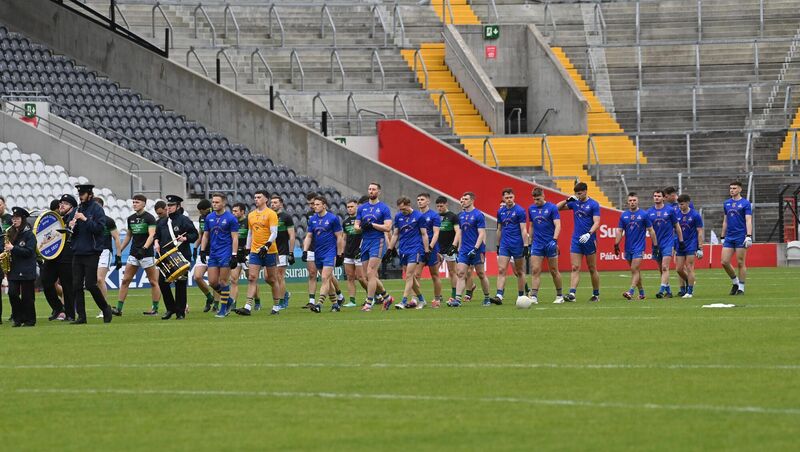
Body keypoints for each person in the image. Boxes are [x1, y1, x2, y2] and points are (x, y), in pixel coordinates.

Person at [69, 184, 113, 324]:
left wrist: (85, 219)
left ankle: (105, 308)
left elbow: (99, 229)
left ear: (90, 194)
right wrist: (70, 226)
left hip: (92, 252)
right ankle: (81, 316)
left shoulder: (97, 210)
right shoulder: (77, 209)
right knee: (76, 285)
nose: (80, 196)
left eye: (83, 193)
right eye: (79, 194)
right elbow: (72, 231)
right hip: (77, 251)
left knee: (90, 284)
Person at [236, 190, 282, 316]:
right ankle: (247, 306)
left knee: (272, 279)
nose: (256, 199)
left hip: (270, 251)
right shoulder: (251, 215)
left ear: (266, 199)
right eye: (255, 197)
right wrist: (247, 248)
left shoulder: (271, 214)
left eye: (259, 197)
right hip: (255, 251)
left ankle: (276, 306)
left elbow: (274, 232)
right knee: (252, 277)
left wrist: (266, 246)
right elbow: (250, 233)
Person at [154, 195, 198, 319]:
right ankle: (170, 308)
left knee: (180, 284)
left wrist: (185, 238)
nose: (169, 207)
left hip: (181, 256)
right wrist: (156, 242)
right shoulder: (162, 221)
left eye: (172, 205)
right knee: (162, 283)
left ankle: (180, 312)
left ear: (178, 206)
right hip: (166, 257)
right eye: (168, 205)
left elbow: (194, 234)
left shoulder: (184, 220)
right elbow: (156, 235)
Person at [116, 194, 161, 316]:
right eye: (133, 202)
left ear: (144, 204)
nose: (134, 204)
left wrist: (144, 248)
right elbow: (129, 236)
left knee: (153, 282)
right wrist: (119, 250)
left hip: (146, 254)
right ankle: (118, 309)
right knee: (125, 280)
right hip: (133, 253)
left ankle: (155, 309)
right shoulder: (130, 218)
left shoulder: (150, 218)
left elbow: (152, 235)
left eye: (137, 202)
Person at [556, 182, 602, 302]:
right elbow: (556, 209)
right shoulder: (575, 203)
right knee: (575, 267)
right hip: (576, 239)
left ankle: (596, 295)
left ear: (586, 191)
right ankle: (572, 294)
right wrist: (567, 200)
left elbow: (597, 222)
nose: (578, 195)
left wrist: (589, 233)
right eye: (576, 193)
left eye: (580, 193)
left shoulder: (593, 204)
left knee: (592, 268)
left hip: (589, 239)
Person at [355, 182, 395, 311]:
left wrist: (372, 225)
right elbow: (356, 226)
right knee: (369, 276)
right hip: (365, 242)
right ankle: (387, 297)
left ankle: (369, 303)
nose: (371, 191)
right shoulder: (362, 208)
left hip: (378, 242)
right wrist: (361, 227)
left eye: (373, 189)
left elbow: (388, 227)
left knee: (370, 273)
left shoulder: (384, 208)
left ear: (379, 192)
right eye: (369, 189)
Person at [386, 196, 430, 310]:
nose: (402, 211)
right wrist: (390, 249)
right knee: (410, 277)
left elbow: (424, 234)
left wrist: (426, 250)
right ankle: (422, 299)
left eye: (404, 209)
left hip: (415, 248)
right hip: (403, 249)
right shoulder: (398, 216)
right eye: (400, 209)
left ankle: (403, 301)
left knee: (409, 275)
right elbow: (395, 234)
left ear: (409, 205)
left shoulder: (419, 216)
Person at [303, 195, 345, 313]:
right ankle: (335, 304)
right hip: (318, 253)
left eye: (317, 204)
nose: (315, 207)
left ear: (324, 205)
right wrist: (305, 251)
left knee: (325, 277)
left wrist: (340, 254)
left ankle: (319, 304)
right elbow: (309, 236)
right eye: (314, 205)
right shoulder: (312, 219)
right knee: (328, 280)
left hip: (330, 252)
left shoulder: (333, 218)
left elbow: (339, 237)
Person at [200, 193, 239, 318]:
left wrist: (234, 255)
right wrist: (202, 250)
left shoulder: (231, 218)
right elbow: (205, 235)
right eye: (213, 202)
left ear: (224, 203)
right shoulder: (209, 217)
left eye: (217, 202)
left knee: (223, 281)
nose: (214, 204)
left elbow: (235, 238)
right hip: (213, 253)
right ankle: (229, 301)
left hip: (225, 253)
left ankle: (223, 309)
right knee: (212, 282)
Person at [449, 192, 490, 307]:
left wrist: (476, 248)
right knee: (461, 273)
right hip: (464, 250)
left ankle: (487, 297)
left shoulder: (478, 215)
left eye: (466, 199)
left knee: (481, 274)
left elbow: (481, 233)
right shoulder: (460, 216)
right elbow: (461, 233)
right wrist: (459, 248)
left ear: (472, 200)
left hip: (477, 249)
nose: (464, 201)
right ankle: (457, 299)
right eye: (463, 199)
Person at [614, 192, 657, 300]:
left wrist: (655, 245)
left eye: (634, 200)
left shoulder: (644, 214)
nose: (632, 202)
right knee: (636, 271)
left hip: (639, 247)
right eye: (630, 201)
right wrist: (616, 243)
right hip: (628, 247)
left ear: (637, 201)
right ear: (627, 202)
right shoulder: (624, 215)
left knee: (634, 268)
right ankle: (642, 293)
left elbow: (651, 230)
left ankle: (631, 292)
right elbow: (619, 231)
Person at [41, 196, 76, 321]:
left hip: (67, 256)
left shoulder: (74, 218)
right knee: (45, 280)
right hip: (52, 255)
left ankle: (71, 314)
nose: (62, 205)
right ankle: (58, 307)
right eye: (61, 203)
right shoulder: (56, 218)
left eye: (65, 204)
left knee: (67, 286)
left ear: (72, 207)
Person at [527, 187, 563, 304]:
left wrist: (554, 240)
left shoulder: (552, 208)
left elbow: (557, 225)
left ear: (543, 196)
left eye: (538, 199)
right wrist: (529, 243)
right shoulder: (531, 209)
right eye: (534, 199)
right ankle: (534, 296)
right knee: (535, 270)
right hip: (537, 244)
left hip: (550, 244)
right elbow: (531, 226)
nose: (536, 202)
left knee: (553, 270)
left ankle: (559, 296)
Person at [646, 190, 685, 298]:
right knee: (660, 269)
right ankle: (668, 291)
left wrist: (681, 241)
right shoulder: (649, 212)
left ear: (663, 198)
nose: (656, 198)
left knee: (664, 267)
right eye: (655, 196)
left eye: (659, 196)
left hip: (668, 242)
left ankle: (661, 290)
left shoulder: (670, 210)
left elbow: (677, 226)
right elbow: (649, 229)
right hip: (656, 244)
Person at [493, 188, 527, 305]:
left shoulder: (520, 211)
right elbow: (499, 229)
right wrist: (497, 244)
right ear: (503, 198)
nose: (509, 200)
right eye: (506, 198)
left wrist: (526, 245)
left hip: (517, 244)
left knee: (519, 271)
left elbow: (523, 229)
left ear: (514, 197)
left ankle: (521, 295)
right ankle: (499, 295)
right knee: (501, 269)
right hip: (505, 244)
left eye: (510, 197)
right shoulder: (500, 212)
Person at [5, 207, 37, 327]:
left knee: (27, 297)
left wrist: (13, 248)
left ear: (22, 219)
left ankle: (30, 319)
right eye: (13, 218)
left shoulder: (29, 235)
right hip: (13, 269)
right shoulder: (10, 233)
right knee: (12, 293)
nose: (14, 220)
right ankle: (18, 318)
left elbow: (29, 252)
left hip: (26, 268)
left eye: (17, 218)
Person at [721, 181, 753, 295]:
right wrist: (722, 236)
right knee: (724, 261)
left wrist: (748, 236)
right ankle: (735, 282)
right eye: (730, 188)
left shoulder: (745, 203)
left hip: (741, 236)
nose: (732, 190)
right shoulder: (726, 203)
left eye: (734, 188)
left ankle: (741, 288)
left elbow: (748, 220)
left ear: (740, 189)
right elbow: (725, 220)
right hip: (729, 236)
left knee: (740, 262)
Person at [94, 198, 122, 316]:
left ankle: (104, 309)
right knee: (95, 281)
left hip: (105, 252)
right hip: (93, 252)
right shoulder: (89, 221)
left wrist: (118, 256)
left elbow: (116, 238)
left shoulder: (108, 221)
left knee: (100, 279)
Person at [413, 193, 441, 309]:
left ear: (428, 201)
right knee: (416, 274)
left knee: (434, 275)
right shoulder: (415, 215)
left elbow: (436, 233)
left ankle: (437, 299)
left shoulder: (434, 215)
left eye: (422, 199)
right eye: (418, 199)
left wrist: (430, 247)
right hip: (418, 248)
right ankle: (415, 299)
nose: (420, 201)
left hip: (431, 249)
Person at [675, 194, 704, 298]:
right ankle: (690, 280)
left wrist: (700, 247)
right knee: (678, 269)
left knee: (690, 267)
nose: (680, 206)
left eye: (682, 204)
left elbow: (700, 231)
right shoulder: (676, 214)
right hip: (680, 244)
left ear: (687, 203)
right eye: (679, 204)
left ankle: (690, 291)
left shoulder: (695, 215)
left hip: (691, 244)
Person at [342, 197, 368, 308]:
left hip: (359, 252)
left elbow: (365, 236)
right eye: (348, 207)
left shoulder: (362, 220)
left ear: (357, 206)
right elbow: (344, 238)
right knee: (350, 277)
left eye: (352, 206)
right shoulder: (346, 222)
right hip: (348, 252)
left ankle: (371, 296)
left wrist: (361, 248)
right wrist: (342, 252)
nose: (350, 209)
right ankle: (352, 301)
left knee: (361, 277)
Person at [271, 195, 296, 310]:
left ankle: (282, 301)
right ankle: (285, 294)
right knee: (269, 278)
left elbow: (292, 235)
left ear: (281, 204)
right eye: (272, 202)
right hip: (271, 250)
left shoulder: (286, 217)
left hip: (282, 250)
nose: (273, 204)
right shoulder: (269, 216)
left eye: (275, 202)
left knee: (280, 276)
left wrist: (291, 252)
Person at [192, 199, 218, 312]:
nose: (200, 213)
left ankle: (217, 304)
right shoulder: (202, 218)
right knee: (197, 277)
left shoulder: (216, 216)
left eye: (200, 211)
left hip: (216, 252)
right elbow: (201, 234)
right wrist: (195, 247)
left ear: (206, 209)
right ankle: (209, 297)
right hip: (204, 252)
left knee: (215, 280)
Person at [435, 196, 460, 307]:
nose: (440, 208)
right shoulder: (436, 217)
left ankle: (454, 295)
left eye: (441, 206)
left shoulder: (452, 216)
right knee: (434, 272)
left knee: (452, 272)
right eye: (438, 206)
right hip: (438, 250)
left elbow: (458, 232)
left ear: (446, 204)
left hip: (449, 248)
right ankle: (438, 296)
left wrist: (454, 246)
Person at [230, 202, 251, 309]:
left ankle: (256, 301)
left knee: (251, 278)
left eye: (236, 211)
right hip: (235, 254)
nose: (233, 213)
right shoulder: (231, 222)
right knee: (233, 279)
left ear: (242, 212)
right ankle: (233, 303)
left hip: (247, 254)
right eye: (232, 211)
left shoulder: (249, 222)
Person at [0, 196, 11, 323]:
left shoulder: (8, 219)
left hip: (7, 254)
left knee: (12, 285)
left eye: (0, 204)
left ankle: (16, 312)